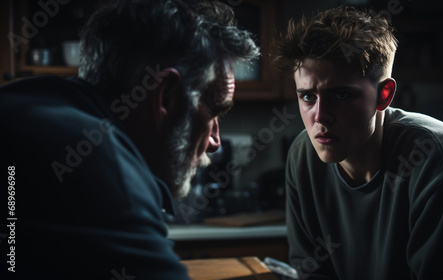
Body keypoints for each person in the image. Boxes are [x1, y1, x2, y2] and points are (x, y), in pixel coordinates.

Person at [0, 0, 258, 279]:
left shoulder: (30, 98)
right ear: (167, 96)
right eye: (213, 112)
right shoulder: (104, 165)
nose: (215, 141)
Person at [272, 6, 443, 280]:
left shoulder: (438, 158)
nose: (320, 117)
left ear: (384, 95)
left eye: (341, 95)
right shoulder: (301, 156)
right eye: (308, 97)